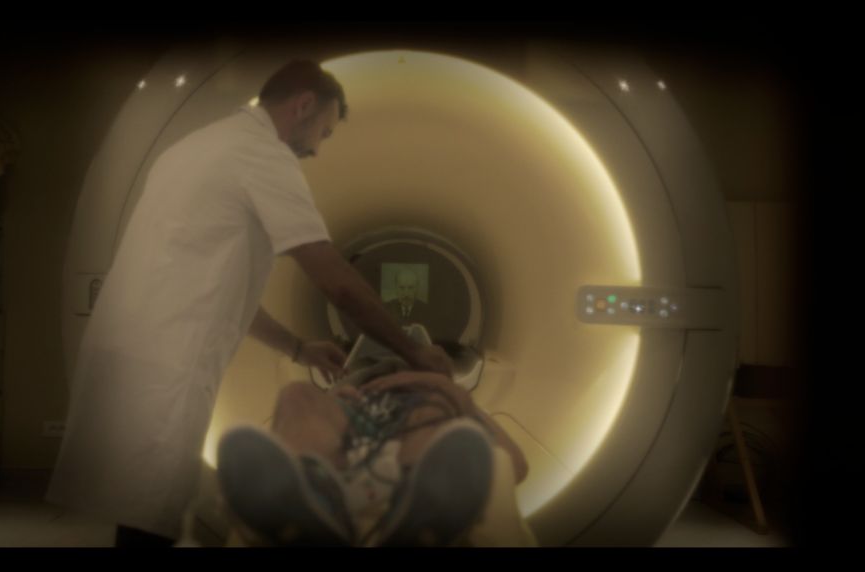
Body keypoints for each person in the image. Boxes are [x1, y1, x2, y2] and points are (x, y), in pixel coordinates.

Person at [46, 60, 454, 547]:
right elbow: (334, 279)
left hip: (134, 351)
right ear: (303, 105)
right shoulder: (263, 155)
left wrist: (299, 348)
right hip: (168, 361)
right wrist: (415, 352)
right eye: (323, 132)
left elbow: (218, 288)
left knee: (138, 511)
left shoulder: (194, 146)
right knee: (148, 516)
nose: (317, 148)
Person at [216, 366, 530, 546]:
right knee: (296, 394)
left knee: (433, 410)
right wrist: (333, 400)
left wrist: (445, 390)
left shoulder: (434, 392)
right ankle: (311, 506)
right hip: (351, 406)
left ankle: (419, 516)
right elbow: (512, 467)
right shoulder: (346, 391)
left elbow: (516, 466)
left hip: (417, 410)